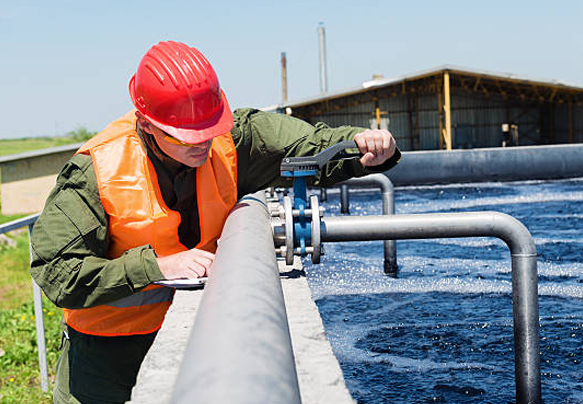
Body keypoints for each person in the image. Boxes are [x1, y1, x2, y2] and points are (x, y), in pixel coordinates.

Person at [30, 40, 400, 404]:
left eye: (209, 128)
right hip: (106, 364)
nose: (202, 143)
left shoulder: (231, 138)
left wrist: (362, 146)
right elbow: (57, 271)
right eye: (186, 136)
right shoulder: (95, 171)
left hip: (203, 339)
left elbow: (310, 145)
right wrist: (155, 266)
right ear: (146, 123)